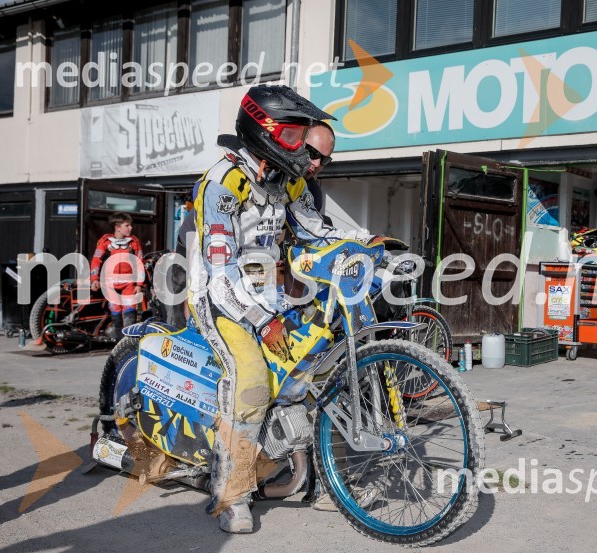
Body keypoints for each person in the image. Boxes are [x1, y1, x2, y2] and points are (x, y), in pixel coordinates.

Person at [187, 85, 383, 533]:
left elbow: (317, 231)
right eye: (298, 136)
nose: (308, 155)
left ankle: (319, 479)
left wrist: (370, 244)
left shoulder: (288, 181)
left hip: (270, 295)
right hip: (221, 299)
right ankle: (231, 493)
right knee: (252, 379)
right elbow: (221, 273)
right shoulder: (221, 183)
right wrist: (262, 319)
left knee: (312, 369)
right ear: (269, 133)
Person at [89, 212, 144, 338]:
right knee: (115, 312)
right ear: (117, 227)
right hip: (110, 283)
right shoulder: (104, 241)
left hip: (129, 283)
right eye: (127, 225)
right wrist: (94, 279)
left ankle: (129, 340)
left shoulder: (134, 242)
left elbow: (140, 262)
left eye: (131, 225)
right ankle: (118, 341)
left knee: (130, 311)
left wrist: (139, 284)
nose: (131, 228)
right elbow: (96, 260)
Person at [304, 120, 335, 226]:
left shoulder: (313, 193)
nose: (317, 163)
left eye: (324, 160)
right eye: (313, 153)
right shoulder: (264, 172)